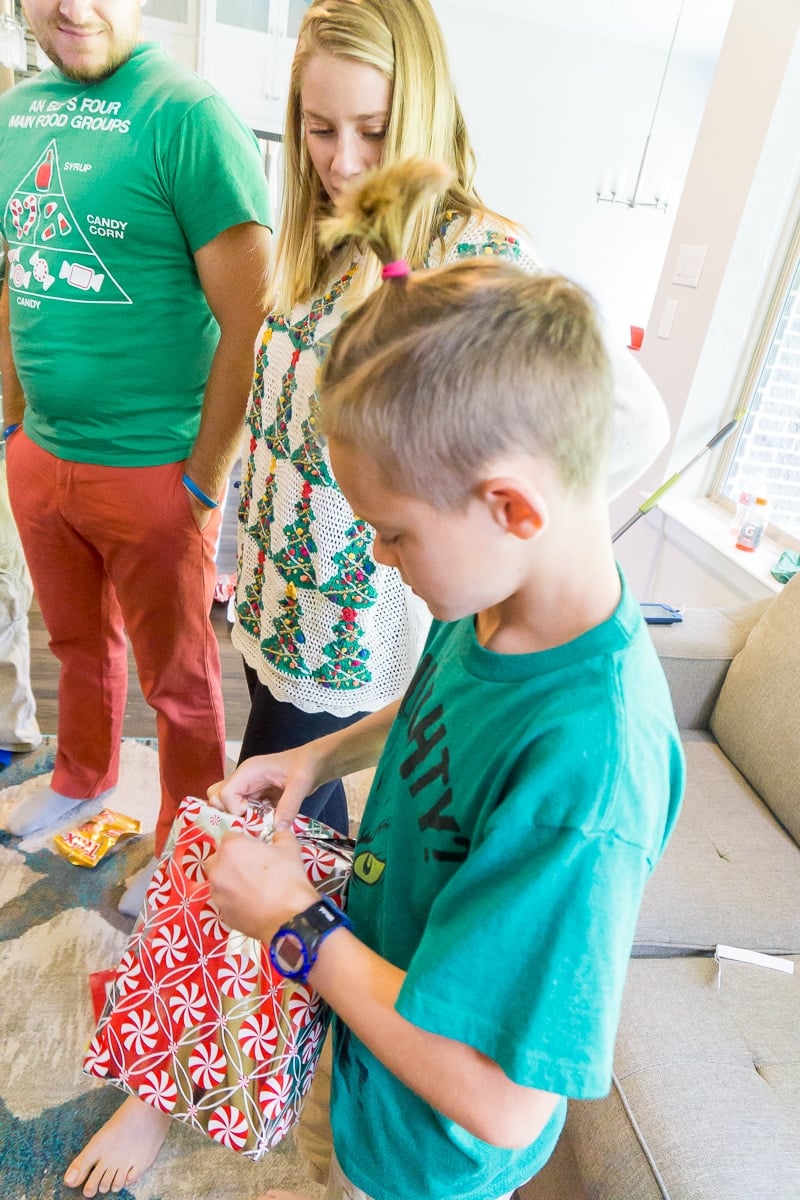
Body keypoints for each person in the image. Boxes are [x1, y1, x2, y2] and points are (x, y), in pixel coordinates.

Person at [63, 160, 684, 1200]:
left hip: (418, 1160)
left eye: (393, 534)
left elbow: (501, 1101)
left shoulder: (588, 775)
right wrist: (316, 754)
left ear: (510, 507)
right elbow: (438, 710)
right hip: (363, 1033)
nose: (382, 561)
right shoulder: (499, 602)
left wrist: (297, 926)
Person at [230, 0, 670, 838]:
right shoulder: (330, 241)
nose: (344, 162)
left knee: (275, 832)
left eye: (373, 128)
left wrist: (506, 548)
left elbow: (632, 418)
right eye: (319, 129)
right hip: (273, 601)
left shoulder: (476, 257)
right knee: (298, 832)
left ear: (422, 109)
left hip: (344, 626)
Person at [0, 0, 272, 914]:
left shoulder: (190, 118)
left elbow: (249, 319)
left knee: (182, 685)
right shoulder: (16, 110)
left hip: (156, 471)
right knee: (76, 645)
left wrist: (203, 479)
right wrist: (10, 423)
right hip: (41, 458)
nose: (72, 7)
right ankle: (82, 774)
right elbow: (15, 266)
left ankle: (188, 842)